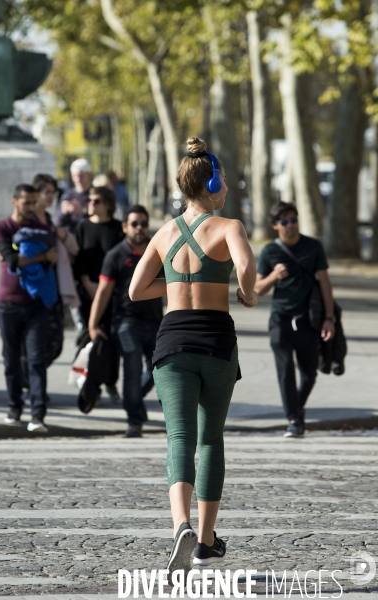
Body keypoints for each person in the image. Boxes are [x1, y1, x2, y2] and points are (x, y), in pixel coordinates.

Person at [128, 138, 257, 579]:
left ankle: (179, 525)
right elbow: (245, 266)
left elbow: (135, 290)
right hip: (216, 342)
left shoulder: (163, 233)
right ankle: (205, 542)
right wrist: (246, 290)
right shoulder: (229, 226)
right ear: (214, 182)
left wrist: (178, 283)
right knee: (209, 439)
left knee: (178, 438)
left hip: (171, 344)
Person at [255, 201, 335, 438]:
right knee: (285, 369)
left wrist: (329, 318)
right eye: (284, 222)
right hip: (280, 318)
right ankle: (293, 420)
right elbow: (257, 289)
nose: (290, 226)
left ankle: (297, 408)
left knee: (309, 374)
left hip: (308, 320)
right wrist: (273, 276)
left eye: (293, 220)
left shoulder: (313, 247)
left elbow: (326, 284)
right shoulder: (270, 251)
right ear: (275, 226)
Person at [88, 205, 163, 437]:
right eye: (134, 224)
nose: (139, 228)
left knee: (158, 371)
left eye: (143, 223)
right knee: (132, 370)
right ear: (124, 227)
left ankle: (133, 399)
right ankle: (134, 420)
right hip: (126, 323)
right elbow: (103, 292)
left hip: (157, 322)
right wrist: (92, 324)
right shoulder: (115, 255)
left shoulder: (159, 249)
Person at [0, 184, 58, 433]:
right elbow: (12, 259)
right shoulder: (2, 227)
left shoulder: (42, 228)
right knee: (11, 360)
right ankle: (14, 409)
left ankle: (38, 415)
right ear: (14, 202)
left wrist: (29, 257)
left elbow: (53, 260)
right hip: (8, 304)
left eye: (34, 202)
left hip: (36, 304)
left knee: (36, 360)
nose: (31, 207)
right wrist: (40, 256)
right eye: (26, 202)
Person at [75, 186, 124, 403]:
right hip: (87, 295)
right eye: (90, 200)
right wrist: (86, 282)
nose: (91, 204)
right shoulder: (82, 227)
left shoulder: (117, 229)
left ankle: (111, 382)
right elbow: (77, 259)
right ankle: (89, 386)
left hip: (112, 296)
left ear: (108, 205)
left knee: (112, 342)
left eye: (96, 201)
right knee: (89, 340)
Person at [31, 173, 80, 368]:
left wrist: (63, 236)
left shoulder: (50, 221)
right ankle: (33, 387)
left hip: (53, 288)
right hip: (32, 289)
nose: (51, 197)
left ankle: (33, 380)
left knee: (54, 343)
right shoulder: (29, 220)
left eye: (54, 193)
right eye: (47, 192)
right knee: (35, 343)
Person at [55, 158, 92, 233]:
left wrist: (83, 211)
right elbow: (57, 223)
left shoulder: (96, 194)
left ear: (89, 175)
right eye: (75, 176)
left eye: (81, 176)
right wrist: (63, 212)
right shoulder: (67, 195)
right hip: (73, 238)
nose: (78, 179)